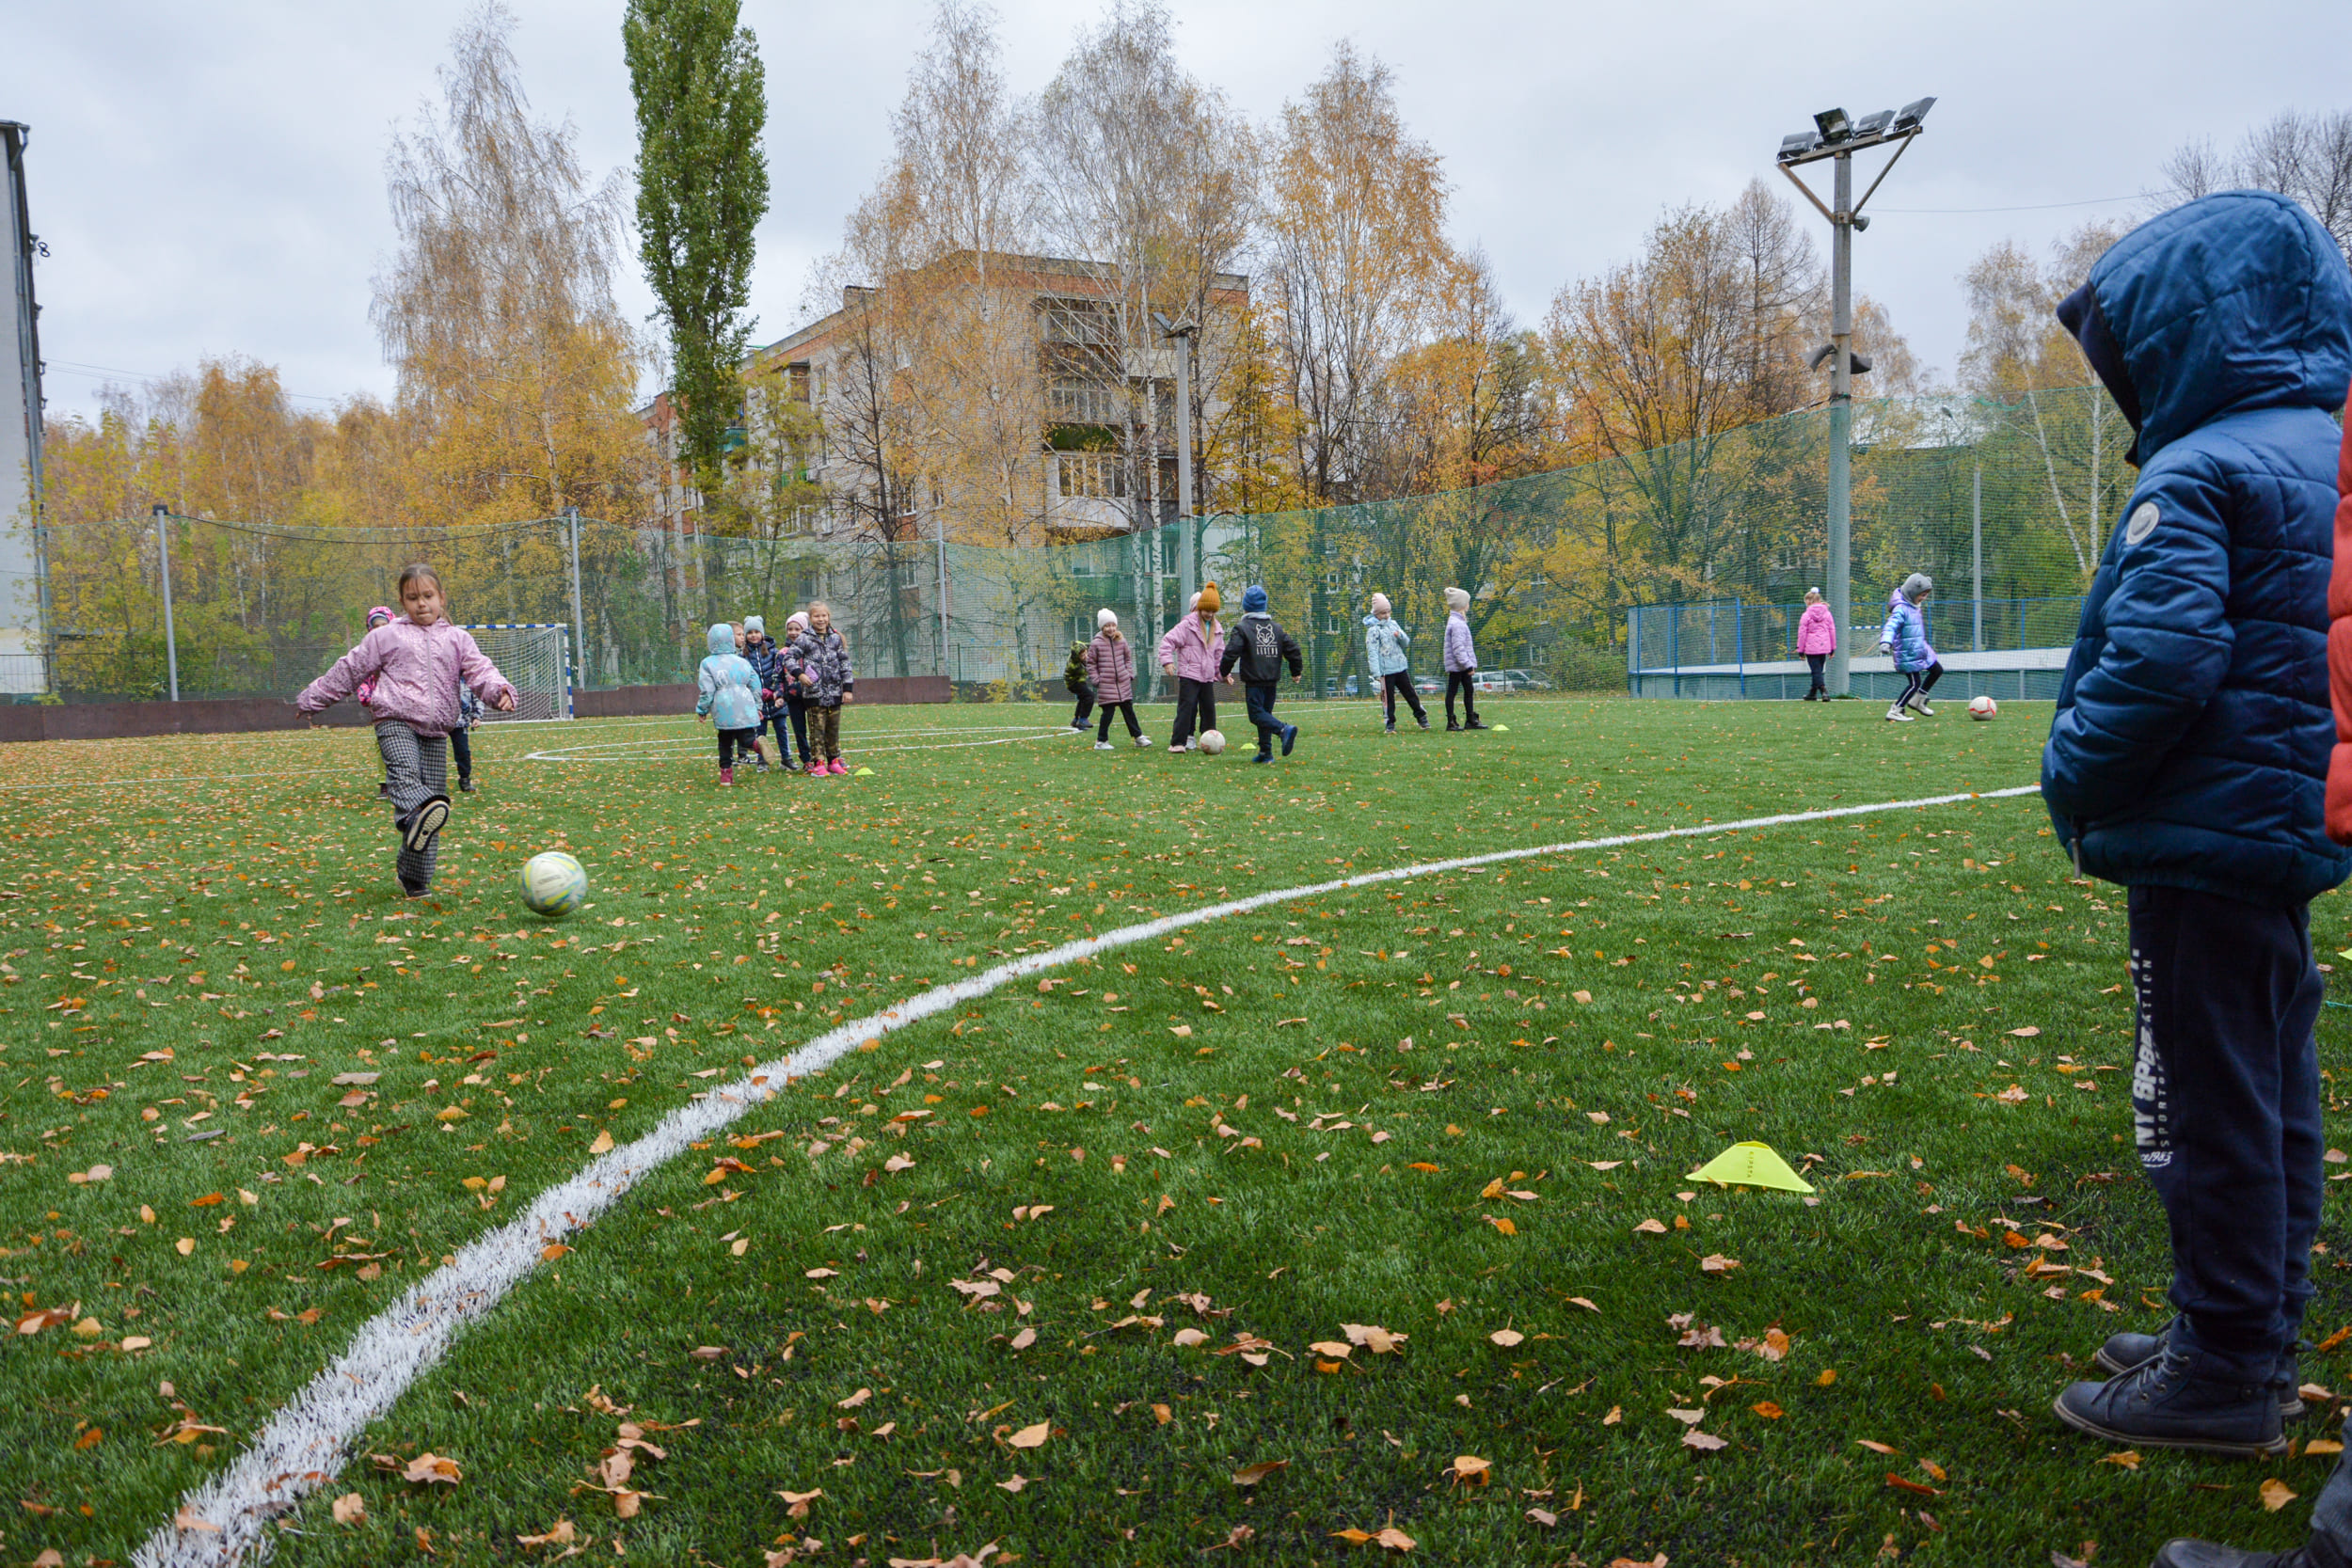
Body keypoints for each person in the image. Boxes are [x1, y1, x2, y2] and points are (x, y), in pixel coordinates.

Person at [2032, 194, 2352, 1514]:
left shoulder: (2201, 467)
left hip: (2202, 837)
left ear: (2182, 330)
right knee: (2269, 1086)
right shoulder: (2320, 449)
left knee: (2205, 1106)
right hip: (2277, 834)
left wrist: (2074, 774)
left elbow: (2161, 661)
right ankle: (2252, 1335)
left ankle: (2220, 1364)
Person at [296, 564, 516, 897]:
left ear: (441, 598)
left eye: (428, 596)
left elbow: (480, 670)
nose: (421, 604)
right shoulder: (386, 636)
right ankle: (425, 811)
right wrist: (313, 697)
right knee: (408, 782)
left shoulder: (458, 639)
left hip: (436, 731)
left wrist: (498, 691)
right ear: (402, 601)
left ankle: (414, 879)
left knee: (427, 822)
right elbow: (350, 668)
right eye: (413, 598)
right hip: (395, 719)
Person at [1221, 585, 1302, 763]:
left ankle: (1283, 730)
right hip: (1271, 680)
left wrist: (1223, 671)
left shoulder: (1242, 628)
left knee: (1256, 714)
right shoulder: (1277, 628)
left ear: (1246, 606)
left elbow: (1231, 652)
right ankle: (1266, 753)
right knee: (1265, 714)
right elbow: (1293, 650)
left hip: (1254, 679)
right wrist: (1296, 671)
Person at [1157, 585, 1225, 752]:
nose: (1209, 614)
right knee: (1187, 707)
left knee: (1209, 709)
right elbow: (1168, 641)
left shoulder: (1217, 629)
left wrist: (1223, 673)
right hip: (1189, 675)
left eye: (1212, 611)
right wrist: (1167, 661)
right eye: (1205, 610)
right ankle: (1178, 742)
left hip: (1207, 677)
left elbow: (1219, 654)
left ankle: (1210, 740)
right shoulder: (1187, 626)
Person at [792, 600, 855, 776]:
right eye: (817, 616)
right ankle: (818, 762)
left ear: (829, 617)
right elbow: (789, 658)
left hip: (834, 692)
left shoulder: (836, 638)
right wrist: (800, 674)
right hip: (814, 694)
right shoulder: (804, 638)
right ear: (811, 618)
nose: (821, 619)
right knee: (817, 730)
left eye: (824, 615)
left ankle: (834, 760)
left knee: (833, 730)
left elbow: (845, 664)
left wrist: (847, 688)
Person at [695, 622, 762, 785]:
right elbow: (755, 683)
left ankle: (726, 774)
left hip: (723, 706)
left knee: (725, 741)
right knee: (745, 736)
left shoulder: (708, 663)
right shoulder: (742, 661)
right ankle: (756, 744)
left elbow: (707, 690)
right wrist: (757, 705)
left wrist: (702, 709)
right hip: (744, 703)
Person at [1878, 576, 1941, 721]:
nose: (1924, 598)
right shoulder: (1901, 609)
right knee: (1914, 683)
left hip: (1921, 649)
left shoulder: (1914, 607)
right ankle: (1896, 710)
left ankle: (1918, 701)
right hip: (1908, 652)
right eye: (1922, 595)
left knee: (1937, 670)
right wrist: (1886, 642)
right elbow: (1891, 625)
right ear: (1912, 593)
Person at [1364, 593, 1427, 733]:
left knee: (1410, 693)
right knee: (1388, 699)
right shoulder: (1373, 631)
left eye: (1388, 612)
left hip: (1400, 667)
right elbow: (1372, 652)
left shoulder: (1393, 624)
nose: (1386, 615)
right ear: (1376, 614)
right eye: (1382, 613)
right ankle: (1390, 722)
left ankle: (1421, 717)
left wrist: (1401, 636)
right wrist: (1376, 672)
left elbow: (1405, 643)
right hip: (1386, 671)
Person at [1084, 609, 1147, 750]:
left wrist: (1129, 673)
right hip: (1106, 685)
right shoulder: (1096, 644)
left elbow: (1128, 659)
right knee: (1108, 714)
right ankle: (1101, 741)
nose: (1110, 628)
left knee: (1129, 712)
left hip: (1123, 684)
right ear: (1102, 627)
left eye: (1113, 625)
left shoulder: (1121, 641)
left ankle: (1138, 737)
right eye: (1107, 626)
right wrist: (1096, 680)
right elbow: (1091, 663)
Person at [355, 605, 395, 797]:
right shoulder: (367, 651)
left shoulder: (400, 647)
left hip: (404, 704)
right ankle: (384, 782)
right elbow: (362, 677)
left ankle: (408, 780)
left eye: (383, 624)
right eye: (375, 625)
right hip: (381, 708)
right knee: (383, 743)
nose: (379, 629)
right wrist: (368, 697)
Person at [743, 615, 790, 773]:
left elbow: (779, 673)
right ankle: (762, 761)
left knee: (781, 729)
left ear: (762, 633)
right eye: (750, 632)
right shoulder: (742, 657)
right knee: (760, 733)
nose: (754, 635)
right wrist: (755, 693)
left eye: (757, 631)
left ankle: (786, 759)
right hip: (756, 703)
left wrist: (774, 690)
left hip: (775, 700)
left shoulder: (774, 652)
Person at [1441, 587, 1485, 731]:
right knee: (1453, 691)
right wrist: (1468, 665)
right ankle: (1451, 721)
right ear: (1462, 605)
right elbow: (1458, 648)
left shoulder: (1457, 621)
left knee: (1468, 690)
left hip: (1461, 665)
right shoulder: (1457, 624)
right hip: (1458, 666)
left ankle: (1470, 719)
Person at [779, 610, 815, 773]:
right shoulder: (783, 653)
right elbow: (778, 676)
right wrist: (779, 694)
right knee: (799, 729)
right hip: (793, 697)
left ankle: (822, 757)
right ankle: (806, 759)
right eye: (790, 629)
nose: (793, 633)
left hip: (813, 694)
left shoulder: (812, 650)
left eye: (797, 629)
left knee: (818, 727)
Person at [1796, 587, 1836, 702]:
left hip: (1811, 647)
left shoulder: (1806, 615)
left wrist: (1800, 649)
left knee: (1815, 670)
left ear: (1809, 601)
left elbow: (1802, 633)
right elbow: (1832, 630)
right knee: (1818, 669)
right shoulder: (1827, 614)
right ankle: (1812, 693)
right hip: (1824, 645)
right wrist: (1833, 648)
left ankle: (1824, 691)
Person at [1063, 637, 1096, 733]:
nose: (1085, 656)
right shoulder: (1074, 665)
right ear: (1077, 657)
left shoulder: (1077, 649)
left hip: (1078, 680)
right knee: (1089, 696)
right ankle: (1083, 719)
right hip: (1073, 682)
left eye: (1086, 653)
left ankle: (1076, 720)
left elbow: (1080, 644)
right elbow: (1088, 669)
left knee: (1083, 698)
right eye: (1082, 655)